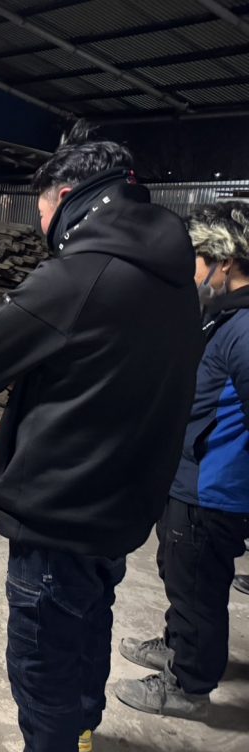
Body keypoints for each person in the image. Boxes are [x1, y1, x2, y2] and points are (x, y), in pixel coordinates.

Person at [0, 123, 202, 752]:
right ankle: (81, 734)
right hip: (121, 503)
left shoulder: (80, 275)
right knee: (89, 621)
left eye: (41, 212)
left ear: (65, 196)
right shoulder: (178, 279)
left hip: (59, 506)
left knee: (41, 655)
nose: (42, 227)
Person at [116, 201, 249, 719]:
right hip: (190, 476)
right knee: (180, 574)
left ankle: (188, 686)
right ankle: (179, 647)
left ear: (224, 260)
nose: (188, 271)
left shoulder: (245, 329)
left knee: (197, 589)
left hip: (211, 488)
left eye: (195, 258)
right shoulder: (225, 315)